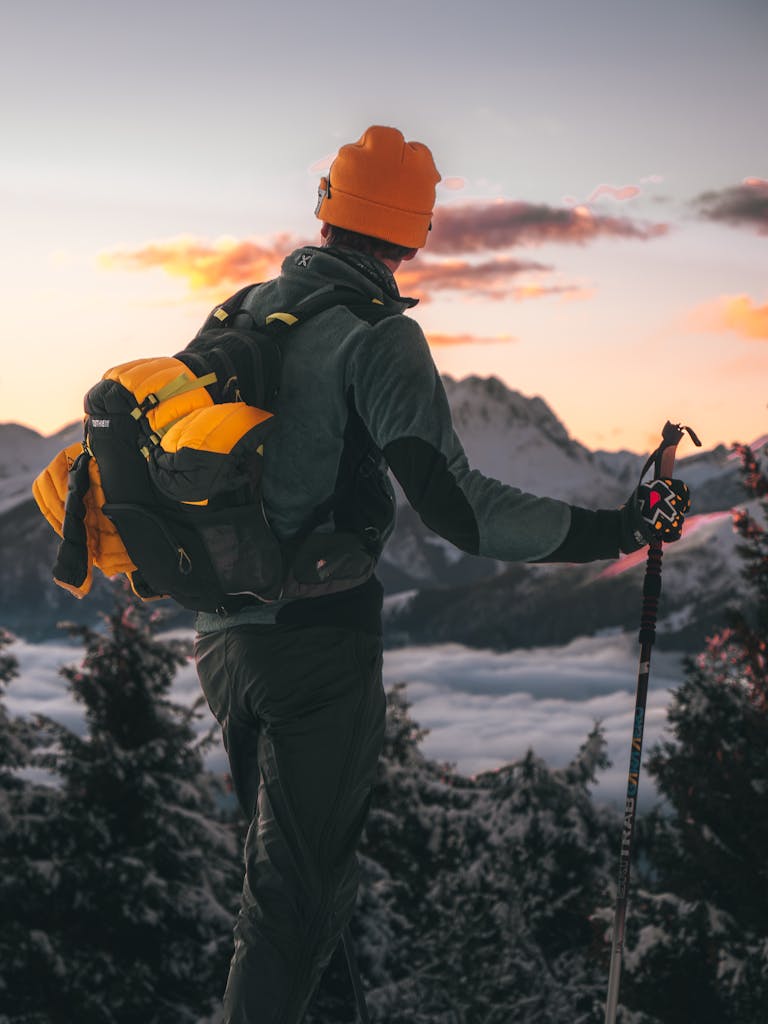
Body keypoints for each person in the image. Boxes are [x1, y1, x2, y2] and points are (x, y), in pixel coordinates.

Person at [193, 125, 690, 1024]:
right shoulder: (377, 337)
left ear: (327, 206)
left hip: (224, 640)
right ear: (415, 232)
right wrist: (617, 529)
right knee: (294, 900)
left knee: (301, 877)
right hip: (319, 646)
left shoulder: (247, 310)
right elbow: (459, 512)